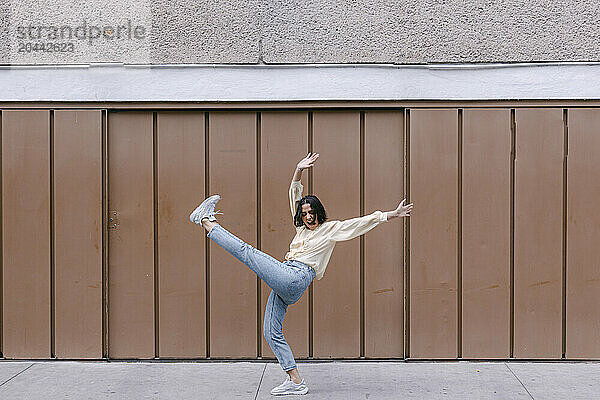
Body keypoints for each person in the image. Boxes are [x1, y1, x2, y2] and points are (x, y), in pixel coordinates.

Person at [189, 153, 413, 396]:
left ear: (319, 212)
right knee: (270, 330)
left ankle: (207, 221)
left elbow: (359, 223)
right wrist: (298, 170)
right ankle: (296, 381)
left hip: (296, 277)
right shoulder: (300, 229)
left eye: (312, 212)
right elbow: (295, 193)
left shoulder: (330, 230)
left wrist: (391, 214)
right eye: (304, 213)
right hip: (287, 279)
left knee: (248, 252)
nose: (308, 216)